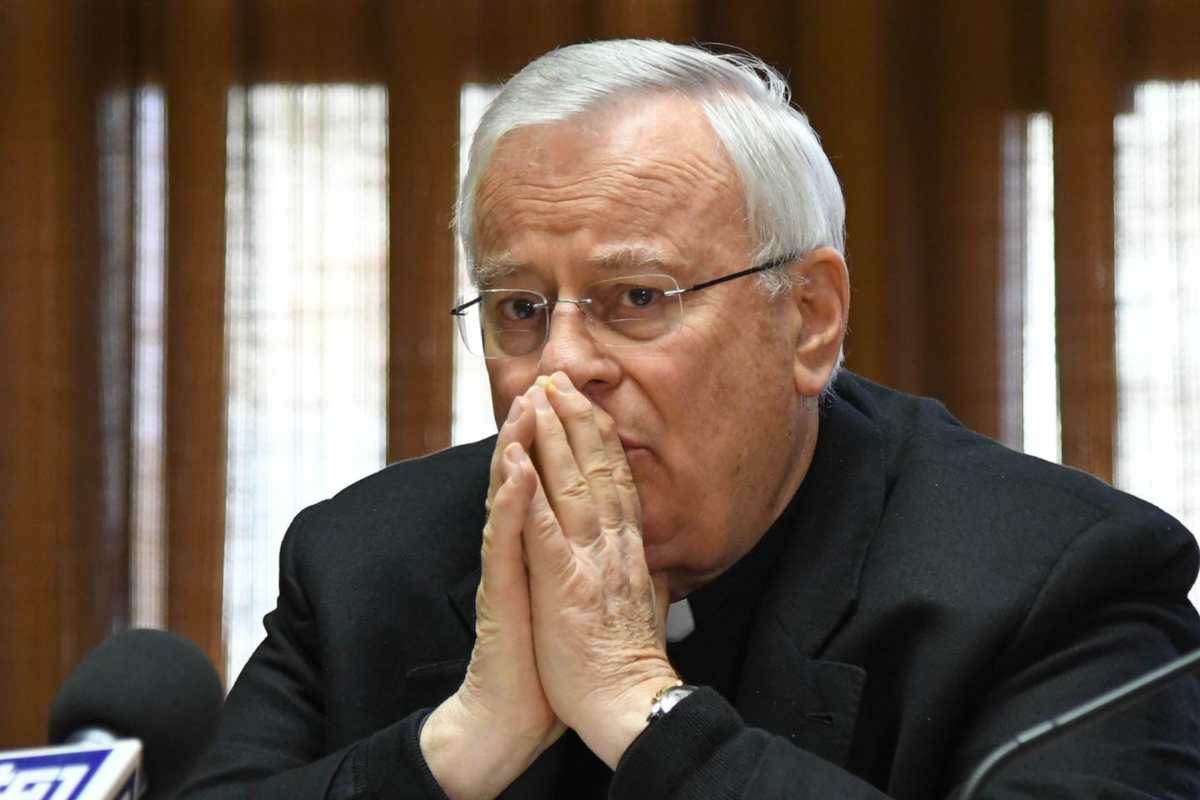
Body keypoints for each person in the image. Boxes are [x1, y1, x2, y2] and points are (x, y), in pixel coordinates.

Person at [179, 40, 1200, 799]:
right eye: (521, 309)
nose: (564, 365)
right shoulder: (360, 564)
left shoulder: (1057, 585)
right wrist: (456, 745)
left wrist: (642, 707)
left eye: (636, 298)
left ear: (809, 318)